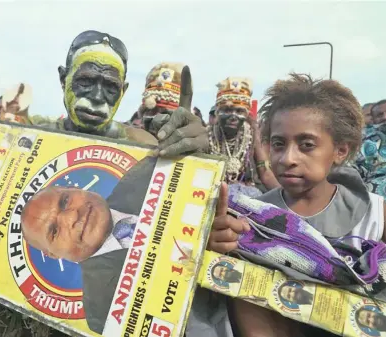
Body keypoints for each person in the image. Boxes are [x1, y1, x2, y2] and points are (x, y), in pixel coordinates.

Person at [208, 73, 386, 337]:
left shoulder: (374, 214)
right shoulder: (249, 217)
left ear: (341, 150)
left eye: (306, 145)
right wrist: (213, 248)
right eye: (278, 144)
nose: (288, 158)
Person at [31, 32, 208, 157]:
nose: (98, 97)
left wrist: (190, 160)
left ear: (123, 92)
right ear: (63, 79)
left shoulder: (142, 145)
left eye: (110, 87)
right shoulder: (28, 135)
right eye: (86, 82)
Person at [21, 185, 139, 334]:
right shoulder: (104, 311)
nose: (72, 217)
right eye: (55, 231)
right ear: (53, 255)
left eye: (65, 201)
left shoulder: (144, 175)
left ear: (75, 188)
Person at [208, 76, 279, 191]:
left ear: (246, 114)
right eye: (227, 110)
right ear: (217, 112)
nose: (233, 116)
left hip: (247, 194)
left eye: (239, 111)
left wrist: (285, 197)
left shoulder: (251, 135)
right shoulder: (207, 136)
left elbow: (264, 172)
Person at [354, 99, 386, 200]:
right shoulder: (363, 142)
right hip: (375, 194)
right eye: (380, 115)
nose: (385, 117)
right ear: (373, 120)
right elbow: (354, 169)